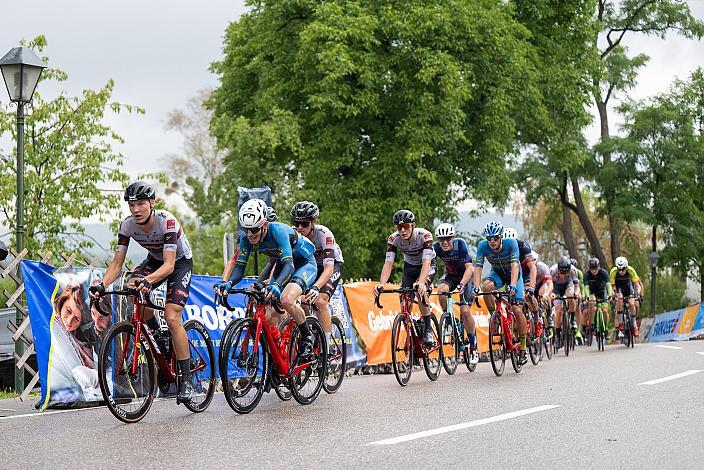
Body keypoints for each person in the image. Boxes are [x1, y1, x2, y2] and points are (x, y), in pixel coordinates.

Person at [89, 181, 196, 402]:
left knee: (172, 315)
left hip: (178, 262)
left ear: (152, 203)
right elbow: (117, 265)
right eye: (131, 205)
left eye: (140, 204)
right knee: (132, 290)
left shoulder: (167, 222)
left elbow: (169, 266)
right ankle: (159, 336)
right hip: (155, 260)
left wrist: (147, 280)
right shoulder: (127, 226)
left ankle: (186, 380)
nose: (136, 209)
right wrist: (103, 286)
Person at [216, 199, 319, 358]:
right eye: (246, 229)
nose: (250, 234)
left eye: (254, 229)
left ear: (264, 224)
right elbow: (239, 269)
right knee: (267, 308)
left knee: (286, 299)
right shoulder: (246, 238)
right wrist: (228, 283)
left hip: (303, 263)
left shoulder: (278, 231)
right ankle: (275, 359)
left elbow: (290, 266)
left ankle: (307, 335)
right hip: (281, 263)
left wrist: (277, 284)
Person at [374, 210, 436, 347]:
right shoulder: (393, 239)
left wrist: (421, 282)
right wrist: (381, 284)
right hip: (410, 267)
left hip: (427, 265)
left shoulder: (424, 236)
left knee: (420, 290)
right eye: (399, 227)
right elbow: (388, 263)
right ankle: (412, 328)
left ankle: (427, 329)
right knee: (403, 298)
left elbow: (426, 262)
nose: (402, 230)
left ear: (413, 225)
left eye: (406, 226)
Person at [290, 201, 344, 353]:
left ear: (313, 222)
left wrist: (315, 287)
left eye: (304, 224)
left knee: (320, 300)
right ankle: (310, 332)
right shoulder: (293, 234)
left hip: (331, 265)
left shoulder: (324, 234)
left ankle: (325, 348)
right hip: (310, 266)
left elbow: (328, 268)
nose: (299, 228)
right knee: (301, 301)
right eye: (296, 223)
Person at [472, 221, 528, 365]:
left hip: (513, 276)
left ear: (501, 237)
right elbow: (478, 268)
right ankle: (495, 318)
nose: (492, 241)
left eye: (495, 238)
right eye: (489, 238)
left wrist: (513, 286)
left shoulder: (511, 244)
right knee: (486, 287)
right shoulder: (483, 246)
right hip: (497, 274)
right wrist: (476, 287)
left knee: (516, 309)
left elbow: (515, 266)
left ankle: (523, 347)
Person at [432, 223, 478, 365]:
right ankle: (449, 319)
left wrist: (462, 285)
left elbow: (470, 268)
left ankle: (474, 346)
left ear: (453, 237)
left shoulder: (460, 245)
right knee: (441, 290)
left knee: (465, 312)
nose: (444, 242)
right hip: (451, 276)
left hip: (465, 277)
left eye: (448, 239)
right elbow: (429, 265)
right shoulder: (436, 247)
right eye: (441, 239)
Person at [610, 256, 643, 338]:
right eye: (619, 269)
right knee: (620, 298)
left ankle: (634, 324)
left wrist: (637, 293)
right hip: (618, 288)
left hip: (628, 287)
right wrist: (613, 294)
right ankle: (621, 323)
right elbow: (611, 286)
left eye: (623, 269)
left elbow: (637, 285)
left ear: (626, 267)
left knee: (632, 303)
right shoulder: (613, 271)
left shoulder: (630, 270)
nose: (621, 271)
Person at [549, 256, 579, 346]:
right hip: (556, 286)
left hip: (567, 284)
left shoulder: (573, 270)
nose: (564, 275)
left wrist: (577, 292)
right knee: (558, 309)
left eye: (566, 273)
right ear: (558, 269)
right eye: (562, 272)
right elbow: (548, 284)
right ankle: (557, 334)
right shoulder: (552, 270)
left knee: (571, 296)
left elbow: (576, 284)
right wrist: (551, 294)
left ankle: (572, 319)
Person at [584, 257, 612, 340]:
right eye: (592, 269)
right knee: (592, 303)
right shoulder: (587, 275)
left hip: (602, 292)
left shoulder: (604, 273)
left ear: (598, 267)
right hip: (592, 292)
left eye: (595, 268)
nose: (594, 271)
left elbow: (608, 285)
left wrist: (610, 294)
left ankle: (606, 329)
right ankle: (592, 323)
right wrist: (587, 296)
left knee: (605, 310)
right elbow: (586, 287)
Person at [571, 258, 588, 344]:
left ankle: (578, 330)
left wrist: (583, 296)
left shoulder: (579, 273)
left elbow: (582, 286)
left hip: (577, 290)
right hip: (568, 289)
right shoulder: (566, 271)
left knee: (578, 307)